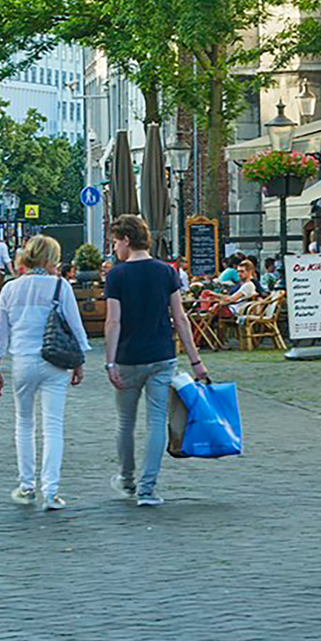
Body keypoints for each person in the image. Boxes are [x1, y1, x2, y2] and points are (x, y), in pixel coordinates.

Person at [104, 214, 209, 507]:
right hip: (162, 355)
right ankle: (147, 489)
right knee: (156, 422)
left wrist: (110, 361)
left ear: (126, 240)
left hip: (127, 357)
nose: (115, 248)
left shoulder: (117, 276)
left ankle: (127, 479)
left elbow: (113, 322)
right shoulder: (166, 272)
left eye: (115, 242)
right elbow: (180, 318)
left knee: (125, 421)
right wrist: (196, 361)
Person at [0, 234, 88, 510]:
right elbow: (75, 327)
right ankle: (51, 491)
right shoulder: (60, 286)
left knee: (24, 423)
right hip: (54, 360)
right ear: (50, 259)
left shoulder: (10, 288)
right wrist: (79, 363)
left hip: (23, 361)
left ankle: (26, 486)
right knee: (53, 425)